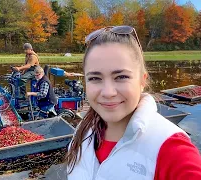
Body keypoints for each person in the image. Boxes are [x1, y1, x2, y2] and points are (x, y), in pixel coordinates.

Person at [66, 26, 201, 180]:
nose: (108, 92)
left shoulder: (172, 149)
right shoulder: (83, 132)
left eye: (121, 77)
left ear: (142, 80)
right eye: (95, 78)